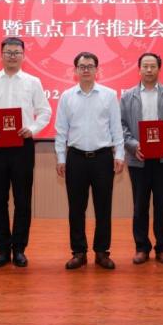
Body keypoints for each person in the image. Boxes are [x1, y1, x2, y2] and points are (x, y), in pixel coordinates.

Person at [0, 37, 52, 268]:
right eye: (8, 52)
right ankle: (2, 249)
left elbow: (45, 111)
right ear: (1, 55)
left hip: (22, 147)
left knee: (23, 200)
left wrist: (32, 129)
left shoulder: (33, 82)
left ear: (24, 56)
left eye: (17, 52)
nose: (12, 56)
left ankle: (19, 249)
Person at [55, 52, 124, 270]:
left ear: (97, 70)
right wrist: (61, 158)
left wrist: (119, 154)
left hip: (102, 157)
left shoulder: (109, 95)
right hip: (75, 158)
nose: (86, 70)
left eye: (90, 66)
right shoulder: (67, 96)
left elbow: (116, 128)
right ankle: (79, 252)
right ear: (75, 70)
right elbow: (61, 131)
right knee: (76, 208)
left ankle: (102, 252)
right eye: (82, 66)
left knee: (103, 207)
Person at [120, 53, 163, 265]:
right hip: (138, 158)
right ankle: (141, 248)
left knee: (161, 205)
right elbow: (121, 126)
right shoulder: (127, 96)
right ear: (139, 69)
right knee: (140, 206)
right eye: (145, 66)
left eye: (153, 66)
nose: (149, 70)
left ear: (159, 69)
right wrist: (133, 145)